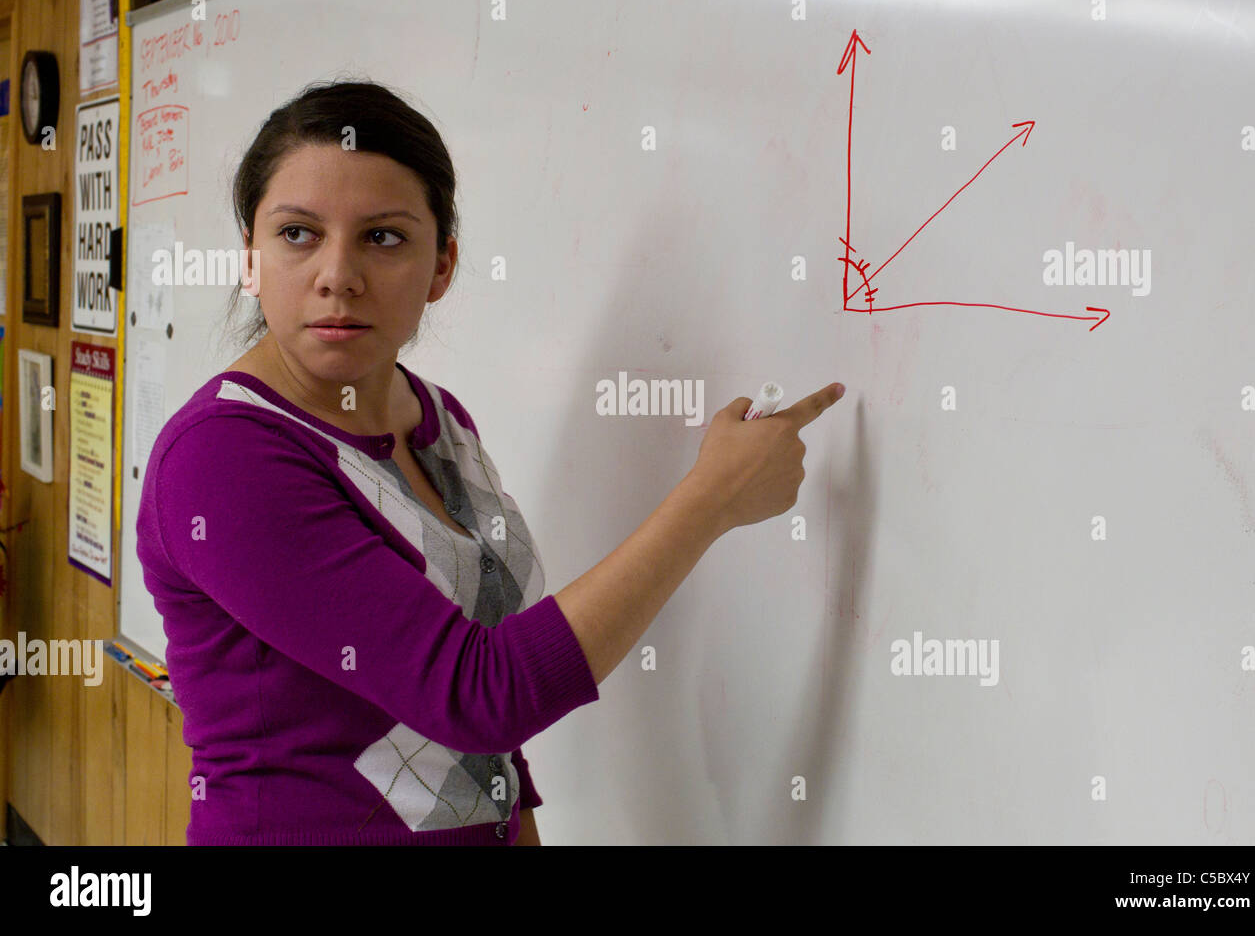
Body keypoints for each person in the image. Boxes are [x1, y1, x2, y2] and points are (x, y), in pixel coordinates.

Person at [136, 79, 844, 846]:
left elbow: (484, 734)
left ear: (442, 266)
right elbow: (476, 692)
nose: (337, 273)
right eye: (298, 233)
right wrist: (711, 499)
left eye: (383, 237)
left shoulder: (438, 420)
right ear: (251, 258)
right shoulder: (221, 458)